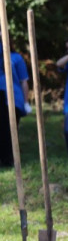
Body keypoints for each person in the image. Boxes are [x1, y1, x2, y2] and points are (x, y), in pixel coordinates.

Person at [0, 38, 32, 168]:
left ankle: (9, 159)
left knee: (10, 130)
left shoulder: (16, 58)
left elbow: (24, 81)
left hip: (13, 98)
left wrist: (25, 102)